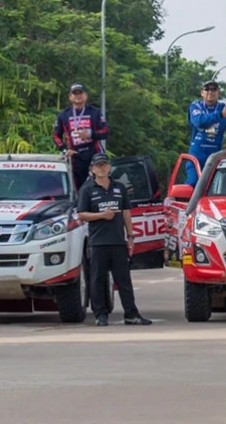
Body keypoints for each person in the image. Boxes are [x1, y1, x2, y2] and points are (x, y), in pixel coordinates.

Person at [77, 153, 152, 327]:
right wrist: (102, 215)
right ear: (92, 169)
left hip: (118, 241)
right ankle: (101, 315)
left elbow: (126, 212)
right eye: (98, 166)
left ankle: (131, 314)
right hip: (98, 243)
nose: (102, 168)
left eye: (104, 165)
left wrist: (130, 236)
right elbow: (81, 214)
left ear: (110, 167)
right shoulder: (87, 190)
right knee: (97, 280)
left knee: (124, 280)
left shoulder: (119, 187)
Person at [185, 80, 226, 185]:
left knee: (214, 187)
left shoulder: (225, 109)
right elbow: (198, 121)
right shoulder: (195, 106)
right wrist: (220, 115)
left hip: (215, 157)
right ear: (202, 92)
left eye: (214, 89)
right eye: (207, 89)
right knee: (193, 182)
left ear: (218, 93)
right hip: (196, 157)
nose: (210, 92)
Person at [52, 83, 109, 190]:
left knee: (100, 185)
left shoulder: (95, 112)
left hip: (94, 154)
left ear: (85, 95)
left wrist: (91, 134)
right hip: (75, 157)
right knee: (80, 189)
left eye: (80, 93)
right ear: (70, 97)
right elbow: (56, 136)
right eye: (75, 94)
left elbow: (105, 132)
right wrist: (64, 150)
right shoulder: (63, 115)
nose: (78, 96)